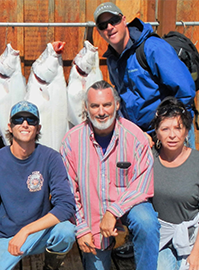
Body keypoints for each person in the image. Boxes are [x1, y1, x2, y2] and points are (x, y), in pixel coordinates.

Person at [60, 80, 160, 270]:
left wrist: (113, 211)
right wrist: (81, 229)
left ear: (117, 105)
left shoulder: (135, 136)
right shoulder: (71, 141)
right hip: (92, 218)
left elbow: (142, 184)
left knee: (147, 223)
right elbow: (70, 191)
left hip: (129, 206)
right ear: (86, 108)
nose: (101, 111)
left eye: (106, 104)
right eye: (95, 106)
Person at [0, 100, 76, 270]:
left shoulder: (51, 158)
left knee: (66, 231)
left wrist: (26, 231)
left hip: (41, 232)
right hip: (7, 237)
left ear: (38, 128)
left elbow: (66, 206)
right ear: (10, 126)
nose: (24, 124)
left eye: (31, 120)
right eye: (18, 119)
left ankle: (50, 266)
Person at [94, 2, 196, 147]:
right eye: (103, 25)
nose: (109, 27)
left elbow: (185, 90)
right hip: (142, 138)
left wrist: (167, 129)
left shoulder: (152, 48)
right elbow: (123, 99)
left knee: (182, 171)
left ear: (124, 20)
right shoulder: (112, 59)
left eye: (114, 21)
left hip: (171, 134)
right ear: (99, 32)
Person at [150, 97, 199, 270]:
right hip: (162, 237)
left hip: (192, 237)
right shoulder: (149, 159)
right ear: (156, 132)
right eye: (165, 129)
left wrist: (197, 251)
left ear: (187, 131)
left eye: (178, 128)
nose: (172, 135)